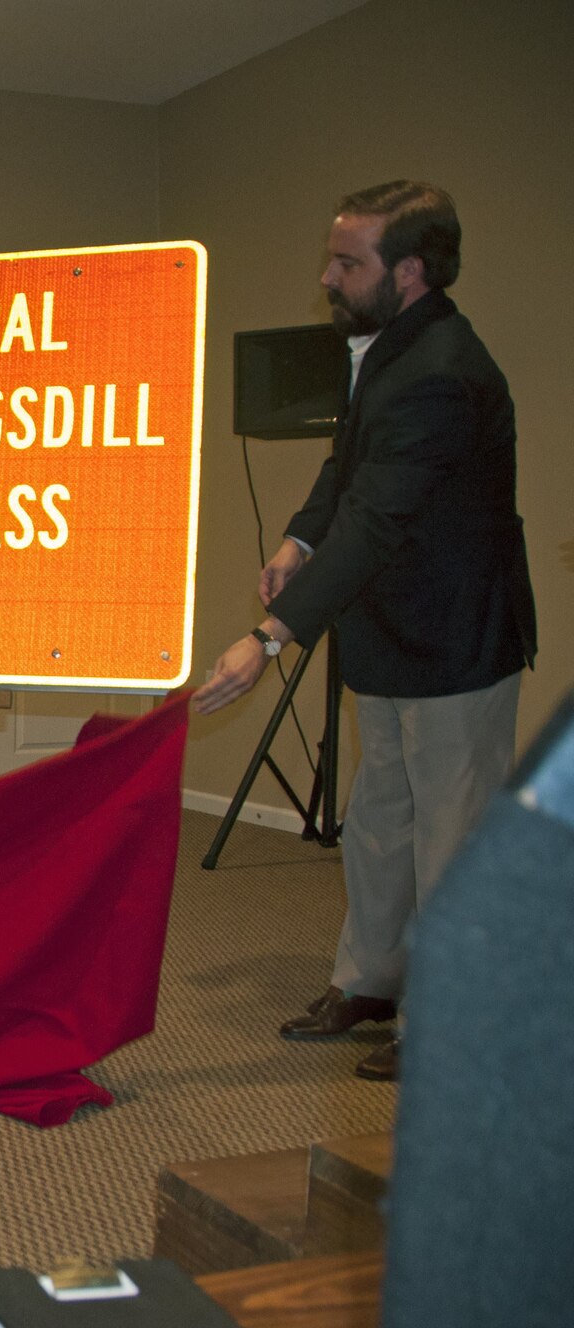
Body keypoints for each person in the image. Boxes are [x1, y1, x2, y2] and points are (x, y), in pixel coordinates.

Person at [192, 181, 536, 1082]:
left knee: (451, 835)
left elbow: (380, 520)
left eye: (348, 263)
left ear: (411, 271)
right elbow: (348, 465)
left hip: (455, 642)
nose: (327, 276)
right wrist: (299, 537)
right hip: (384, 633)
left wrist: (269, 636)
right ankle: (373, 983)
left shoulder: (445, 373)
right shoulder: (385, 349)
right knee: (380, 821)